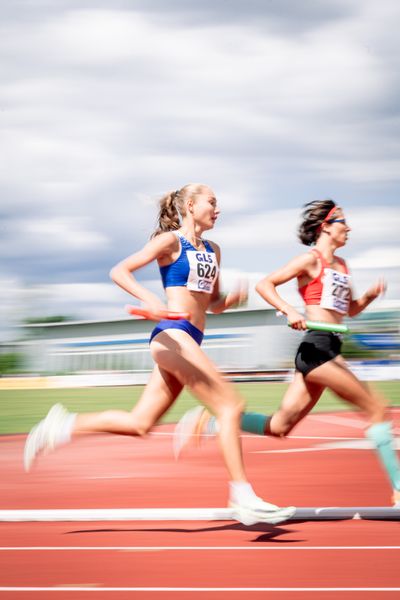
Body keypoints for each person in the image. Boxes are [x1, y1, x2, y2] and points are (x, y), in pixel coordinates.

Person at [24, 183, 295, 526]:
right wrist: (150, 300)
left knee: (140, 423)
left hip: (190, 340)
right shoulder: (170, 242)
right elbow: (119, 271)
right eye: (212, 202)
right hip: (171, 337)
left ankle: (62, 425)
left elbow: (211, 305)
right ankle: (242, 496)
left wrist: (231, 301)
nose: (218, 209)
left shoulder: (214, 250)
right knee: (231, 406)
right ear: (191, 206)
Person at [175, 199, 400, 507]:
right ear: (325, 227)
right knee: (377, 408)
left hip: (332, 346)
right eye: (342, 222)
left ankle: (211, 422)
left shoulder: (343, 266)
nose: (348, 228)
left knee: (280, 426)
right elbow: (266, 285)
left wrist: (370, 297)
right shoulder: (310, 261)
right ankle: (398, 489)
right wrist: (290, 310)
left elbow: (349, 310)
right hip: (317, 348)